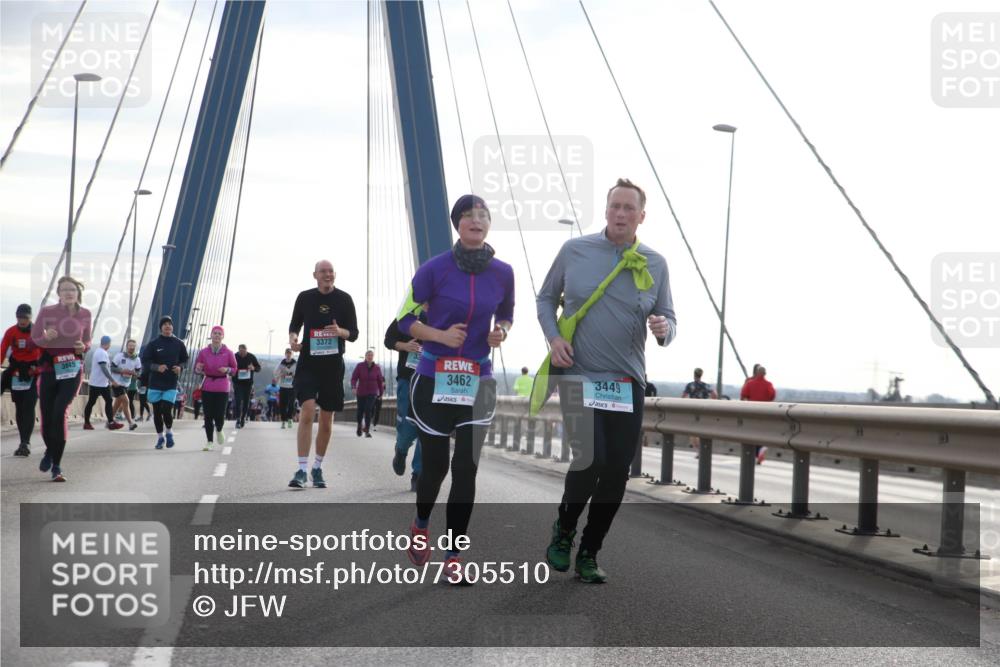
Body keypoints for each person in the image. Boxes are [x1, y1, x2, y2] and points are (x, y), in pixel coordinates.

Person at [535, 178, 676, 583]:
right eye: (615, 206)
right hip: (580, 375)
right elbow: (545, 298)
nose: (620, 213)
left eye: (629, 208)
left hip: (626, 381)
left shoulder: (656, 263)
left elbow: (669, 317)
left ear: (641, 216)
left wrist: (664, 328)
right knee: (589, 459)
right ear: (606, 210)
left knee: (616, 472)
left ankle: (590, 552)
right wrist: (555, 337)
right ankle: (563, 531)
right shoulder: (575, 250)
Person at [398, 194, 514, 583]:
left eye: (482, 215)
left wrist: (501, 333)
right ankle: (420, 523)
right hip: (434, 379)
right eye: (468, 215)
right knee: (436, 469)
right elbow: (403, 322)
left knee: (466, 469)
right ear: (457, 223)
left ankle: (453, 557)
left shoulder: (503, 272)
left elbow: (507, 315)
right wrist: (440, 336)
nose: (476, 221)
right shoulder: (433, 270)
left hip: (477, 380)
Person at [287, 260, 359, 489]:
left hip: (332, 367)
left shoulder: (345, 299)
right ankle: (301, 469)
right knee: (307, 411)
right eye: (323, 272)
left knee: (326, 421)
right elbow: (294, 325)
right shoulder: (305, 297)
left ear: (334, 275)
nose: (327, 275)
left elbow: (354, 333)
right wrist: (293, 339)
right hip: (308, 364)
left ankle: (317, 468)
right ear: (315, 275)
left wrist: (340, 332)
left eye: (330, 272)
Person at [32, 276, 92, 481]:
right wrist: (45, 338)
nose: (68, 292)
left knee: (59, 413)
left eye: (72, 289)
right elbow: (35, 338)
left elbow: (87, 340)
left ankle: (57, 466)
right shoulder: (47, 312)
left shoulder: (85, 314)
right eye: (64, 289)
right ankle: (50, 449)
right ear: (58, 293)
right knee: (47, 417)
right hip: (49, 369)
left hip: (72, 369)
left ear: (78, 293)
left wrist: (84, 347)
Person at [385, 317, 423, 491]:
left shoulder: (446, 313)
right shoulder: (407, 315)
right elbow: (389, 340)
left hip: (434, 380)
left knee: (426, 429)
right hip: (408, 378)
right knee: (408, 428)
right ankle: (401, 450)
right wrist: (406, 346)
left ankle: (418, 474)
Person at [140, 316, 189, 449]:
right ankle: (160, 438)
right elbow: (145, 361)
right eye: (165, 324)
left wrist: (181, 367)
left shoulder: (178, 343)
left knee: (166, 409)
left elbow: (185, 359)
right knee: (157, 411)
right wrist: (157, 367)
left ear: (172, 327)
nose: (168, 326)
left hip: (170, 383)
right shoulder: (154, 344)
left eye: (170, 324)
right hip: (155, 383)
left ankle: (169, 432)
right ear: (161, 327)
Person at [2, 303, 42, 456]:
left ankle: (26, 442)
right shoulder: (10, 332)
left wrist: (37, 370)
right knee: (19, 408)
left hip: (33, 373)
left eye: (25, 318)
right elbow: (2, 350)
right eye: (19, 317)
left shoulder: (38, 333)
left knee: (29, 406)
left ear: (30, 318)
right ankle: (22, 441)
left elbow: (46, 355)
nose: (22, 321)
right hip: (17, 373)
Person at [194, 325, 237, 451]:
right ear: (211, 335)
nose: (217, 335)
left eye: (219, 333)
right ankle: (209, 441)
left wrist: (227, 369)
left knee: (219, 414)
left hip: (222, 385)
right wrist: (198, 369)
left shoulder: (228, 353)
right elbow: (196, 369)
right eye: (215, 333)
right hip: (207, 385)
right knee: (208, 415)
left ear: (223, 336)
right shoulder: (203, 352)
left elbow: (234, 370)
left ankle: (219, 429)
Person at [83, 335, 123, 430]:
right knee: (92, 402)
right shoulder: (101, 353)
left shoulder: (100, 351)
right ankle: (87, 423)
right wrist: (112, 380)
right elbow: (104, 368)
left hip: (102, 383)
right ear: (108, 344)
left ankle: (111, 422)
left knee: (107, 401)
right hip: (97, 383)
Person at [740, 364, 776, 463]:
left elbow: (743, 395)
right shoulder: (768, 384)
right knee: (762, 431)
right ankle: (761, 449)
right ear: (765, 374)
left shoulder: (750, 383)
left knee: (752, 432)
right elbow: (772, 396)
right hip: (765, 412)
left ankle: (756, 453)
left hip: (752, 411)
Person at [350, 350, 384, 438]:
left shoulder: (377, 368)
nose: (370, 357)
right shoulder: (360, 366)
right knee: (360, 411)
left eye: (371, 355)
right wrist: (354, 387)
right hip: (361, 392)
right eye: (368, 355)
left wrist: (381, 393)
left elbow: (380, 381)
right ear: (365, 356)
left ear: (373, 357)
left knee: (368, 410)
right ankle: (359, 426)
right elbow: (354, 378)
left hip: (372, 393)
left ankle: (367, 431)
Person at [110, 339, 142, 431]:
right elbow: (112, 367)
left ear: (135, 348)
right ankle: (131, 423)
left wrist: (134, 373)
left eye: (133, 346)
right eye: (130, 346)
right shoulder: (119, 356)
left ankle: (110, 420)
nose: (131, 347)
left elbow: (138, 371)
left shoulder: (137, 359)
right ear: (127, 347)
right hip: (116, 383)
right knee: (126, 401)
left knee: (117, 403)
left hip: (126, 384)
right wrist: (122, 371)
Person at [233, 344, 261, 428]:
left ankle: (243, 418)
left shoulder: (251, 357)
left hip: (248, 384)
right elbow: (230, 366)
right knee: (238, 401)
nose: (242, 354)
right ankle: (238, 419)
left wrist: (253, 368)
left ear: (246, 350)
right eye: (240, 352)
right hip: (237, 383)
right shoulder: (234, 356)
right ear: (238, 350)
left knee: (246, 402)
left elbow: (258, 368)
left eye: (243, 352)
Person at [274, 348, 297, 429]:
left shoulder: (295, 363)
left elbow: (299, 373)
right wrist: (281, 375)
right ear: (285, 354)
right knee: (282, 404)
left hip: (292, 387)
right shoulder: (281, 363)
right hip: (283, 386)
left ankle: (290, 419)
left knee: (291, 404)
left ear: (292, 354)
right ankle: (283, 421)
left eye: (290, 353)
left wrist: (294, 376)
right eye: (287, 353)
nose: (288, 355)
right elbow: (275, 373)